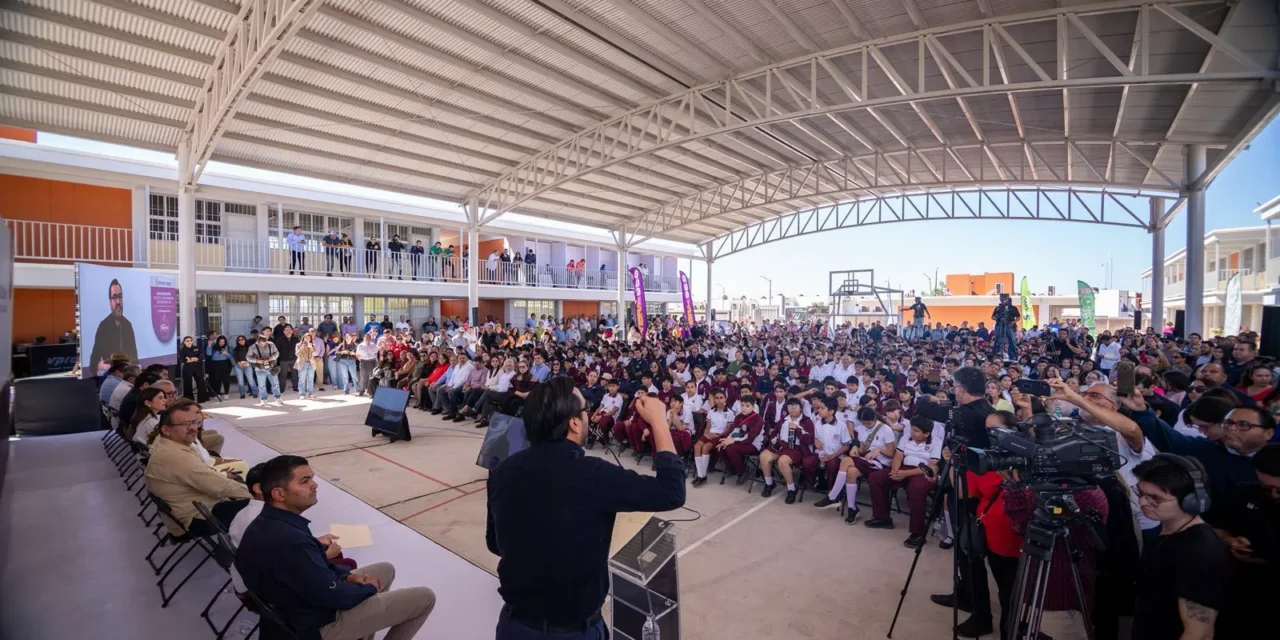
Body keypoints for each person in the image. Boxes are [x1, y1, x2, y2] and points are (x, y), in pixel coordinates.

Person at [485, 376, 685, 640]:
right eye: (584, 410)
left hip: (515, 626)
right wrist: (659, 420)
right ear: (574, 422)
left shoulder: (501, 471)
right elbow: (671, 492)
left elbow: (495, 544)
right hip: (571, 632)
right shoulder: (594, 474)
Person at [236, 455, 436, 640]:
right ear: (279, 494)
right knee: (425, 598)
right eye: (305, 481)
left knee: (385, 569)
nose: (314, 485)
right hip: (314, 624)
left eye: (312, 479)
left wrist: (349, 576)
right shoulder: (290, 541)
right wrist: (366, 588)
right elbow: (331, 594)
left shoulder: (270, 522)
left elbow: (318, 567)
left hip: (296, 607)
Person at [1131, 454, 1230, 640]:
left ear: (1191, 500)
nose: (1142, 502)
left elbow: (1199, 634)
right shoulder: (1168, 533)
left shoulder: (1198, 554)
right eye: (1140, 493)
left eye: (1155, 498)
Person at [144, 398, 251, 537]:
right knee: (264, 507)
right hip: (199, 518)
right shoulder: (177, 456)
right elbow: (217, 486)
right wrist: (254, 495)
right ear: (166, 430)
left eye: (194, 422)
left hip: (188, 510)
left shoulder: (170, 446)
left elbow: (208, 478)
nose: (193, 428)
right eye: (185, 424)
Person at [1209, 443, 1280, 637]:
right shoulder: (1243, 494)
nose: (1273, 495)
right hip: (1242, 595)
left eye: (1279, 490)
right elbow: (1211, 526)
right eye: (1266, 488)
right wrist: (1228, 540)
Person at [865, 416, 941, 548]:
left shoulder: (936, 442)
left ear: (926, 433)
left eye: (916, 430)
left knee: (915, 490)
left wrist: (905, 474)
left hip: (922, 473)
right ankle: (882, 518)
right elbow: (898, 456)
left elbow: (932, 466)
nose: (912, 432)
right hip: (903, 468)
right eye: (912, 429)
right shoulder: (906, 437)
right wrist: (895, 470)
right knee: (876, 478)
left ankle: (917, 533)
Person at [89, 278, 138, 371]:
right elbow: (93, 364)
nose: (118, 302)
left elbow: (135, 358)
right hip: (110, 376)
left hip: (127, 376)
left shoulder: (128, 325)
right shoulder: (103, 327)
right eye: (114, 297)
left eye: (120, 296)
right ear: (110, 302)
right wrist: (108, 367)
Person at [249, 330, 284, 407]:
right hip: (259, 369)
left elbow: (277, 353)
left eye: (264, 343)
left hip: (271, 367)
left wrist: (272, 358)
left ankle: (278, 398)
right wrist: (256, 360)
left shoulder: (271, 344)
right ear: (257, 341)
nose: (262, 345)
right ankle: (263, 399)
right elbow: (248, 357)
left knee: (275, 384)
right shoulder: (252, 347)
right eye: (260, 344)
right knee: (261, 385)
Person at [991, 293, 1019, 361]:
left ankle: (1012, 356)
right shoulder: (997, 308)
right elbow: (992, 317)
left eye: (1004, 298)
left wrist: (1013, 322)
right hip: (999, 324)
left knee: (1012, 340)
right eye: (1001, 298)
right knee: (997, 339)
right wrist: (996, 318)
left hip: (1009, 325)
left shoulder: (1013, 308)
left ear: (1008, 299)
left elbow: (1018, 317)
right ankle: (997, 355)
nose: (1002, 300)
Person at [179, 336, 205, 401]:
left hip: (197, 367)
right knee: (188, 383)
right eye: (187, 341)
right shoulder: (182, 350)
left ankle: (202, 398)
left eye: (190, 340)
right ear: (184, 342)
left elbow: (201, 356)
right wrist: (194, 359)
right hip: (188, 368)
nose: (189, 342)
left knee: (201, 382)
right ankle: (189, 399)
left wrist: (194, 358)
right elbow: (183, 360)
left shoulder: (196, 348)